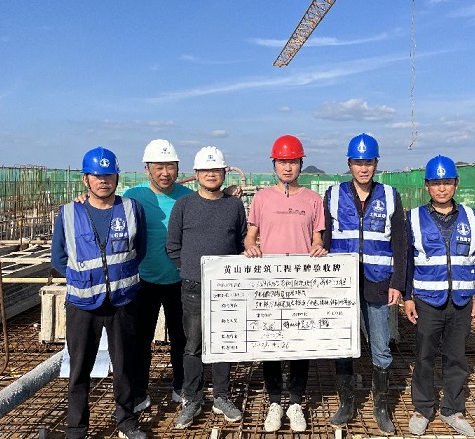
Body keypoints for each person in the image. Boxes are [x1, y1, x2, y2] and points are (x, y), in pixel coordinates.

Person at [50, 146, 148, 439]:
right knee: (79, 368)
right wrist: (86, 279)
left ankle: (126, 422)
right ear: (86, 179)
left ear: (116, 177)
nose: (103, 181)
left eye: (109, 175)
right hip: (82, 304)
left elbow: (139, 250)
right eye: (96, 175)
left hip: (122, 301)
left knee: (125, 367)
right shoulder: (69, 213)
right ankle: (76, 428)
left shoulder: (131, 209)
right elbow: (59, 259)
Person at [323, 133, 407, 434]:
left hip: (378, 282)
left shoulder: (390, 195)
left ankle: (381, 408)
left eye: (368, 162)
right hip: (342, 284)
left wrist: (398, 283)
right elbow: (324, 239)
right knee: (343, 345)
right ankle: (346, 404)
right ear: (349, 164)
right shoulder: (333, 195)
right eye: (358, 163)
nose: (363, 168)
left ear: (376, 163)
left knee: (381, 347)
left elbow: (400, 242)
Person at [243, 134, 328, 433]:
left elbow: (317, 238)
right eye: (282, 162)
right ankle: (274, 402)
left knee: (299, 344)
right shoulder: (262, 198)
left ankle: (295, 402)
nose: (288, 167)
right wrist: (250, 248)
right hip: (270, 283)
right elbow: (250, 236)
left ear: (301, 164)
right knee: (271, 344)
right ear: (274, 165)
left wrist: (318, 248)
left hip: (302, 283)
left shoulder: (313, 199)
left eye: (292, 162)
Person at [404, 155, 475, 437]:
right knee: (424, 356)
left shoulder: (471, 217)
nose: (442, 188)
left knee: (456, 358)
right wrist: (407, 297)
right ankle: (423, 408)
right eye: (436, 183)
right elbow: (407, 261)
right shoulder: (414, 217)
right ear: (427, 186)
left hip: (462, 301)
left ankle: (453, 409)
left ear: (456, 184)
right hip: (427, 300)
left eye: (448, 182)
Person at [166, 146, 247, 430]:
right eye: (205, 170)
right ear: (197, 174)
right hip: (193, 286)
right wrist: (190, 270)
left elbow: (241, 241)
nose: (211, 175)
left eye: (216, 170)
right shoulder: (184, 205)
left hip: (226, 287)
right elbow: (173, 246)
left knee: (224, 342)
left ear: (224, 173)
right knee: (193, 345)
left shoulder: (234, 206)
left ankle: (221, 396)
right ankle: (192, 398)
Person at [122, 139, 193, 411]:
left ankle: (181, 386)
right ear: (147, 169)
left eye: (170, 167)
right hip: (143, 280)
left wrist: (229, 193)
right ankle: (140, 392)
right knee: (140, 339)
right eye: (159, 167)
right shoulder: (134, 196)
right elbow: (106, 207)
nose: (165, 173)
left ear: (178, 168)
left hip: (179, 279)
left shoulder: (187, 197)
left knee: (182, 338)